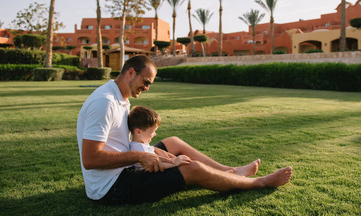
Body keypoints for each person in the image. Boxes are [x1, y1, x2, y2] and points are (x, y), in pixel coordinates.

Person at [77, 54, 293, 205]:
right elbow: (91, 159)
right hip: (112, 187)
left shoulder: (121, 99)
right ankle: (259, 182)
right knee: (193, 169)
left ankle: (232, 171)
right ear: (131, 72)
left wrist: (153, 152)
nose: (147, 87)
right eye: (146, 81)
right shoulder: (104, 102)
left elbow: (126, 142)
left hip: (129, 165)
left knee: (174, 142)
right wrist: (140, 157)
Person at [128, 105, 191, 170]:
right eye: (152, 131)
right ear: (138, 132)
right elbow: (157, 165)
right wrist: (174, 162)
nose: (154, 134)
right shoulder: (139, 148)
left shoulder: (141, 145)